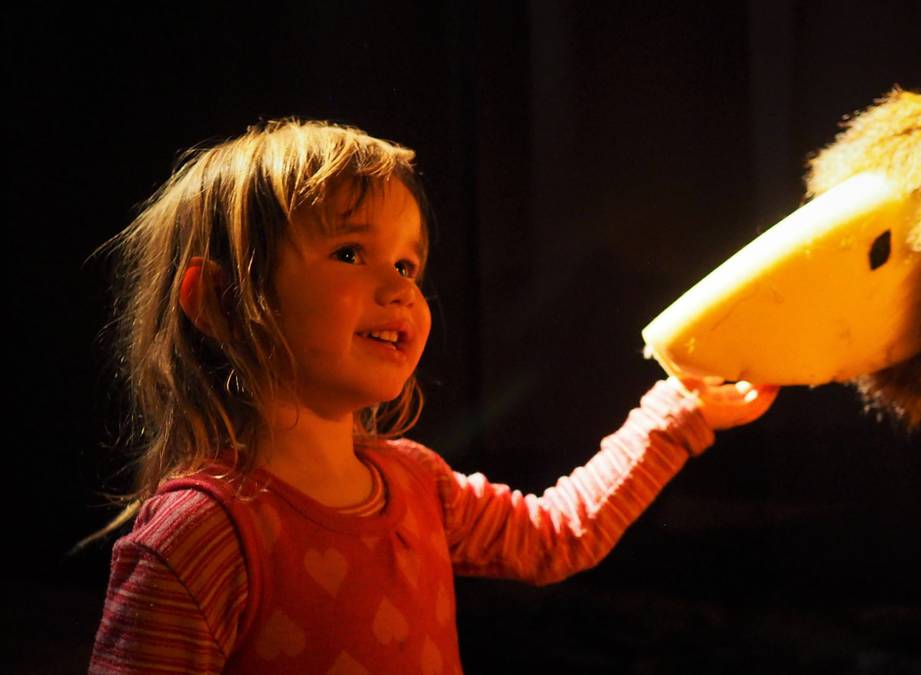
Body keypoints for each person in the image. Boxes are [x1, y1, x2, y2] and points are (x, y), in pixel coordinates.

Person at [88, 119, 778, 674]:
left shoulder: (417, 482)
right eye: (352, 253)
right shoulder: (200, 536)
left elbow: (559, 536)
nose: (400, 288)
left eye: (408, 263)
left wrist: (679, 410)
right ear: (218, 300)